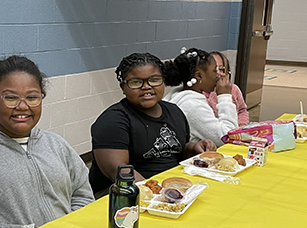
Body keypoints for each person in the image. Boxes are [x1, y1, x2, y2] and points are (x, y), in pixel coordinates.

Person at [0, 55, 93, 228]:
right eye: (10, 97)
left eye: (32, 97)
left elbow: (82, 193)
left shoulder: (56, 144)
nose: (22, 106)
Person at [89, 53, 216, 194]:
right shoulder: (112, 121)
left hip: (170, 187)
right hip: (122, 195)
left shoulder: (174, 112)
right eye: (136, 82)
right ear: (123, 87)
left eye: (154, 80)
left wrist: (193, 148)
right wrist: (157, 193)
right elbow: (121, 173)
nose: (147, 87)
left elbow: (175, 150)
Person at [162, 47, 237, 146]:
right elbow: (228, 136)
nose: (218, 75)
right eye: (215, 71)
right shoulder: (193, 106)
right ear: (199, 76)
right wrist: (225, 97)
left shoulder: (178, 94)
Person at [203, 51, 249, 126]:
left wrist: (242, 125)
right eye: (214, 70)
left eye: (221, 69)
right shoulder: (202, 93)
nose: (217, 73)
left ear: (227, 73)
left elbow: (242, 110)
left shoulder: (234, 89)